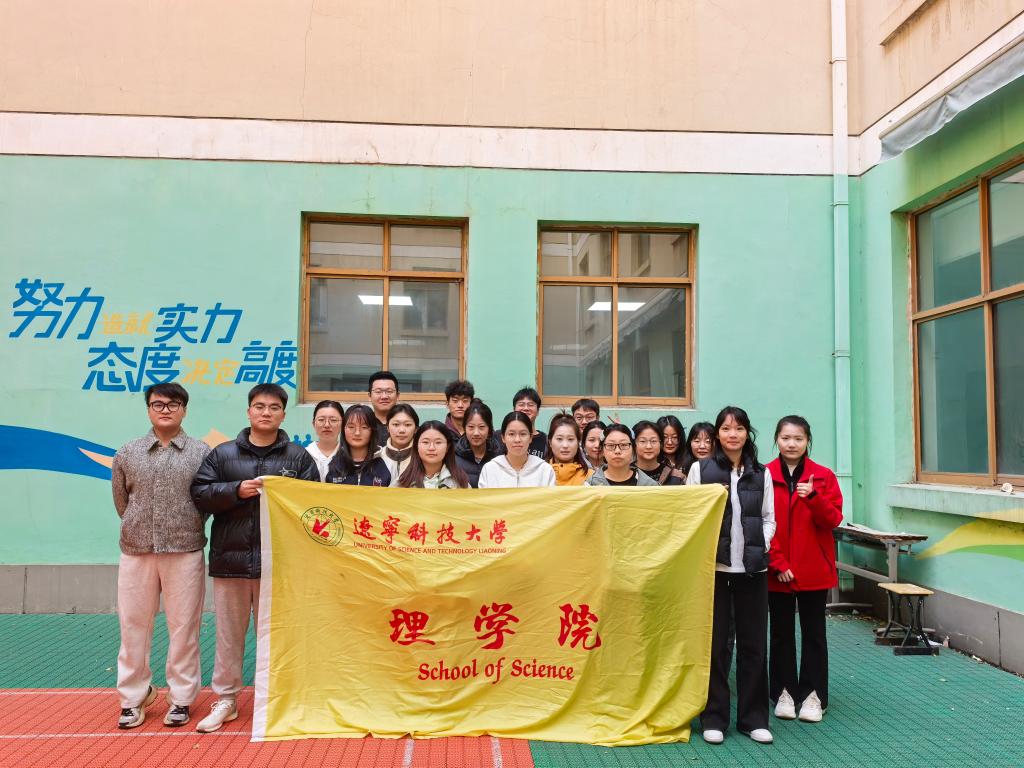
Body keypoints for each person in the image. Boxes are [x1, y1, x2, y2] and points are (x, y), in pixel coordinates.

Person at [190, 383, 319, 733]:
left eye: (274, 408)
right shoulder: (222, 454)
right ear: (249, 412)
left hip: (278, 565)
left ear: (283, 414)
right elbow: (200, 494)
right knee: (229, 636)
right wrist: (236, 490)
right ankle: (226, 699)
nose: (266, 412)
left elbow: (313, 504)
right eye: (260, 406)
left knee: (276, 635)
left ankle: (275, 697)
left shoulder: (298, 458)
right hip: (230, 563)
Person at [111, 383, 210, 730]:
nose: (165, 409)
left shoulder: (201, 452)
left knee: (184, 627)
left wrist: (185, 526)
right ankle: (132, 698)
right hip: (136, 550)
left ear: (184, 410)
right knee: (133, 626)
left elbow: (206, 501)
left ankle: (181, 698)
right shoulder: (128, 452)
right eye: (158, 404)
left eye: (173, 404)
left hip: (185, 550)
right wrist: (139, 527)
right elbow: (122, 501)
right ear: (148, 409)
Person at [686, 406, 775, 746]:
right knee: (716, 646)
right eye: (725, 428)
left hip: (752, 570)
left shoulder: (761, 473)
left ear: (747, 433)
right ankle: (714, 717)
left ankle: (754, 719)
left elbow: (769, 518)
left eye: (738, 428)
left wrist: (759, 545)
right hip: (715, 570)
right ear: (717, 434)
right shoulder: (701, 469)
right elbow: (691, 515)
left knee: (754, 646)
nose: (732, 434)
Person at [767, 416, 843, 724]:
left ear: (807, 441)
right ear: (777, 439)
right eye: (786, 438)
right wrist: (777, 562)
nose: (791, 444)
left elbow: (833, 519)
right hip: (778, 571)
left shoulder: (823, 476)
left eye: (798, 438)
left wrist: (812, 497)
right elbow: (760, 522)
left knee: (814, 634)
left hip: (814, 569)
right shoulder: (764, 475)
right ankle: (783, 692)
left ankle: (813, 695)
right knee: (781, 634)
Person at [478, 412, 556, 487]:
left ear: (530, 438)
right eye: (511, 434)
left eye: (523, 434)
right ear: (503, 438)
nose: (517, 440)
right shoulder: (489, 469)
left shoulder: (544, 470)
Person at [325, 404, 392, 486]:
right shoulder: (331, 465)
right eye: (351, 427)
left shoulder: (387, 464)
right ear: (343, 429)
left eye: (364, 427)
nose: (357, 433)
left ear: (372, 431)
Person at [397, 421, 471, 488]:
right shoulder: (403, 482)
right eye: (425, 442)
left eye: (438, 442)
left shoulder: (460, 482)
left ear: (447, 447)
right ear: (417, 446)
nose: (431, 448)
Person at [586, 424, 658, 486]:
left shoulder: (650, 485)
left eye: (623, 445)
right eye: (610, 445)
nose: (617, 451)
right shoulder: (591, 485)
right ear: (603, 451)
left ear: (633, 450)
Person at [454, 400, 503, 488]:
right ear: (464, 428)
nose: (476, 433)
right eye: (471, 427)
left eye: (481, 427)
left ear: (489, 429)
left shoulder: (500, 456)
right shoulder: (454, 458)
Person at [377, 403, 419, 486]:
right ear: (387, 428)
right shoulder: (377, 457)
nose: (402, 430)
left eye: (408, 425)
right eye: (396, 424)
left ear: (416, 429)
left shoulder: (422, 457)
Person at [546, 413, 593, 485]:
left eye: (570, 439)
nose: (565, 445)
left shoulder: (591, 477)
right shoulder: (540, 474)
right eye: (559, 439)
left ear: (578, 442)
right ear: (550, 442)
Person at [632, 420, 684, 485]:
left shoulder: (676, 476)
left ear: (661, 444)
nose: (649, 446)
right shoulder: (625, 473)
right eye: (642, 441)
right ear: (633, 444)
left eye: (653, 441)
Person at [306, 400, 344, 481]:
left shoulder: (349, 455)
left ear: (343, 424)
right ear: (313, 424)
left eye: (333, 420)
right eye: (321, 420)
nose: (327, 425)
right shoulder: (304, 455)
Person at [512, 386, 548, 458]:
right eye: (521, 404)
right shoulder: (503, 436)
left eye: (530, 405)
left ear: (538, 411)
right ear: (514, 409)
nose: (526, 408)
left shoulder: (546, 440)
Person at [367, 370, 399, 445]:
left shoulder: (407, 424)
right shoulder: (364, 423)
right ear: (369, 396)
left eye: (389, 391)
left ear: (397, 396)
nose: (384, 396)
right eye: (378, 392)